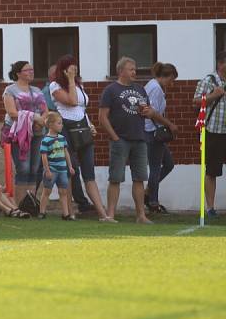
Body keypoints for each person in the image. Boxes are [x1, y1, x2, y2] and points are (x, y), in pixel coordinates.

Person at [49, 55, 110, 221]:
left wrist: (90, 125)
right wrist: (69, 80)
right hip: (67, 130)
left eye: (75, 67)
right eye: (71, 68)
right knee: (69, 171)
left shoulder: (79, 85)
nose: (74, 70)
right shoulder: (55, 85)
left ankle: (103, 214)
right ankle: (69, 212)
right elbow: (72, 101)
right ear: (64, 69)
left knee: (89, 173)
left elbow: (82, 108)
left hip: (82, 128)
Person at [99, 56, 159, 223]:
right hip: (120, 139)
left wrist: (148, 112)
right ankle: (110, 215)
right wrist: (115, 137)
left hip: (139, 138)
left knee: (139, 178)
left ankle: (141, 215)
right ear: (120, 71)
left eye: (135, 69)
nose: (135, 72)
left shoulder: (140, 89)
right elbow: (102, 117)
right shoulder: (111, 90)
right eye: (131, 69)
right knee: (116, 177)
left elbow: (148, 111)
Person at [1, 61, 47, 204]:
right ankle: (20, 204)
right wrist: (35, 118)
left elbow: (45, 111)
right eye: (27, 70)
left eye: (32, 69)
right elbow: (12, 113)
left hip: (38, 133)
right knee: (23, 168)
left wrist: (41, 122)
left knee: (34, 168)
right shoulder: (10, 90)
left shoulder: (37, 90)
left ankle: (30, 204)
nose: (31, 72)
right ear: (18, 73)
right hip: (19, 133)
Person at [193, 51, 226, 217]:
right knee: (212, 170)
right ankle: (210, 207)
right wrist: (214, 94)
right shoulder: (208, 80)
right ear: (221, 64)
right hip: (212, 129)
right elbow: (196, 101)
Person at [144, 62, 179, 214]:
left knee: (168, 164)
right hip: (152, 132)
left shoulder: (152, 85)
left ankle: (148, 193)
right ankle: (153, 201)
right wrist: (170, 124)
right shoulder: (156, 88)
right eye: (171, 80)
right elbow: (151, 113)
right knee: (155, 167)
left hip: (152, 131)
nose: (172, 84)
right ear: (166, 77)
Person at [38, 112, 76, 220]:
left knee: (63, 191)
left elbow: (66, 153)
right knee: (47, 191)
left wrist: (70, 166)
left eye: (61, 123)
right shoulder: (45, 140)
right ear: (50, 125)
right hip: (52, 169)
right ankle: (42, 212)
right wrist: (47, 170)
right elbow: (44, 157)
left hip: (63, 170)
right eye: (59, 123)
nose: (61, 125)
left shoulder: (62, 138)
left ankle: (65, 214)